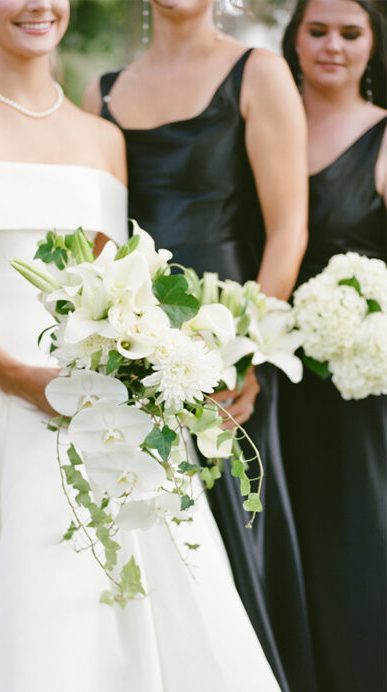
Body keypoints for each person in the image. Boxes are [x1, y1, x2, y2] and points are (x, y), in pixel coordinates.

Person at [0, 1, 280, 690]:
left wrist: (142, 364)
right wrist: (19, 377)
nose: (39, 5)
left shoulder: (102, 138)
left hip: (100, 412)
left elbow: (111, 286)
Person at [84, 2, 314, 688]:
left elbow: (288, 228)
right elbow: (97, 236)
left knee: (233, 535)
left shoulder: (260, 73)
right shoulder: (101, 92)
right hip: (133, 347)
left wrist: (246, 352)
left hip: (226, 342)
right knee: (150, 537)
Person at [278, 1, 387, 689]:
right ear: (294, 36)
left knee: (355, 550)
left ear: (375, 44)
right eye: (318, 31)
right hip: (267, 376)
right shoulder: (256, 121)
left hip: (357, 391)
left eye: (351, 33)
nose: (332, 47)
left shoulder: (384, 139)